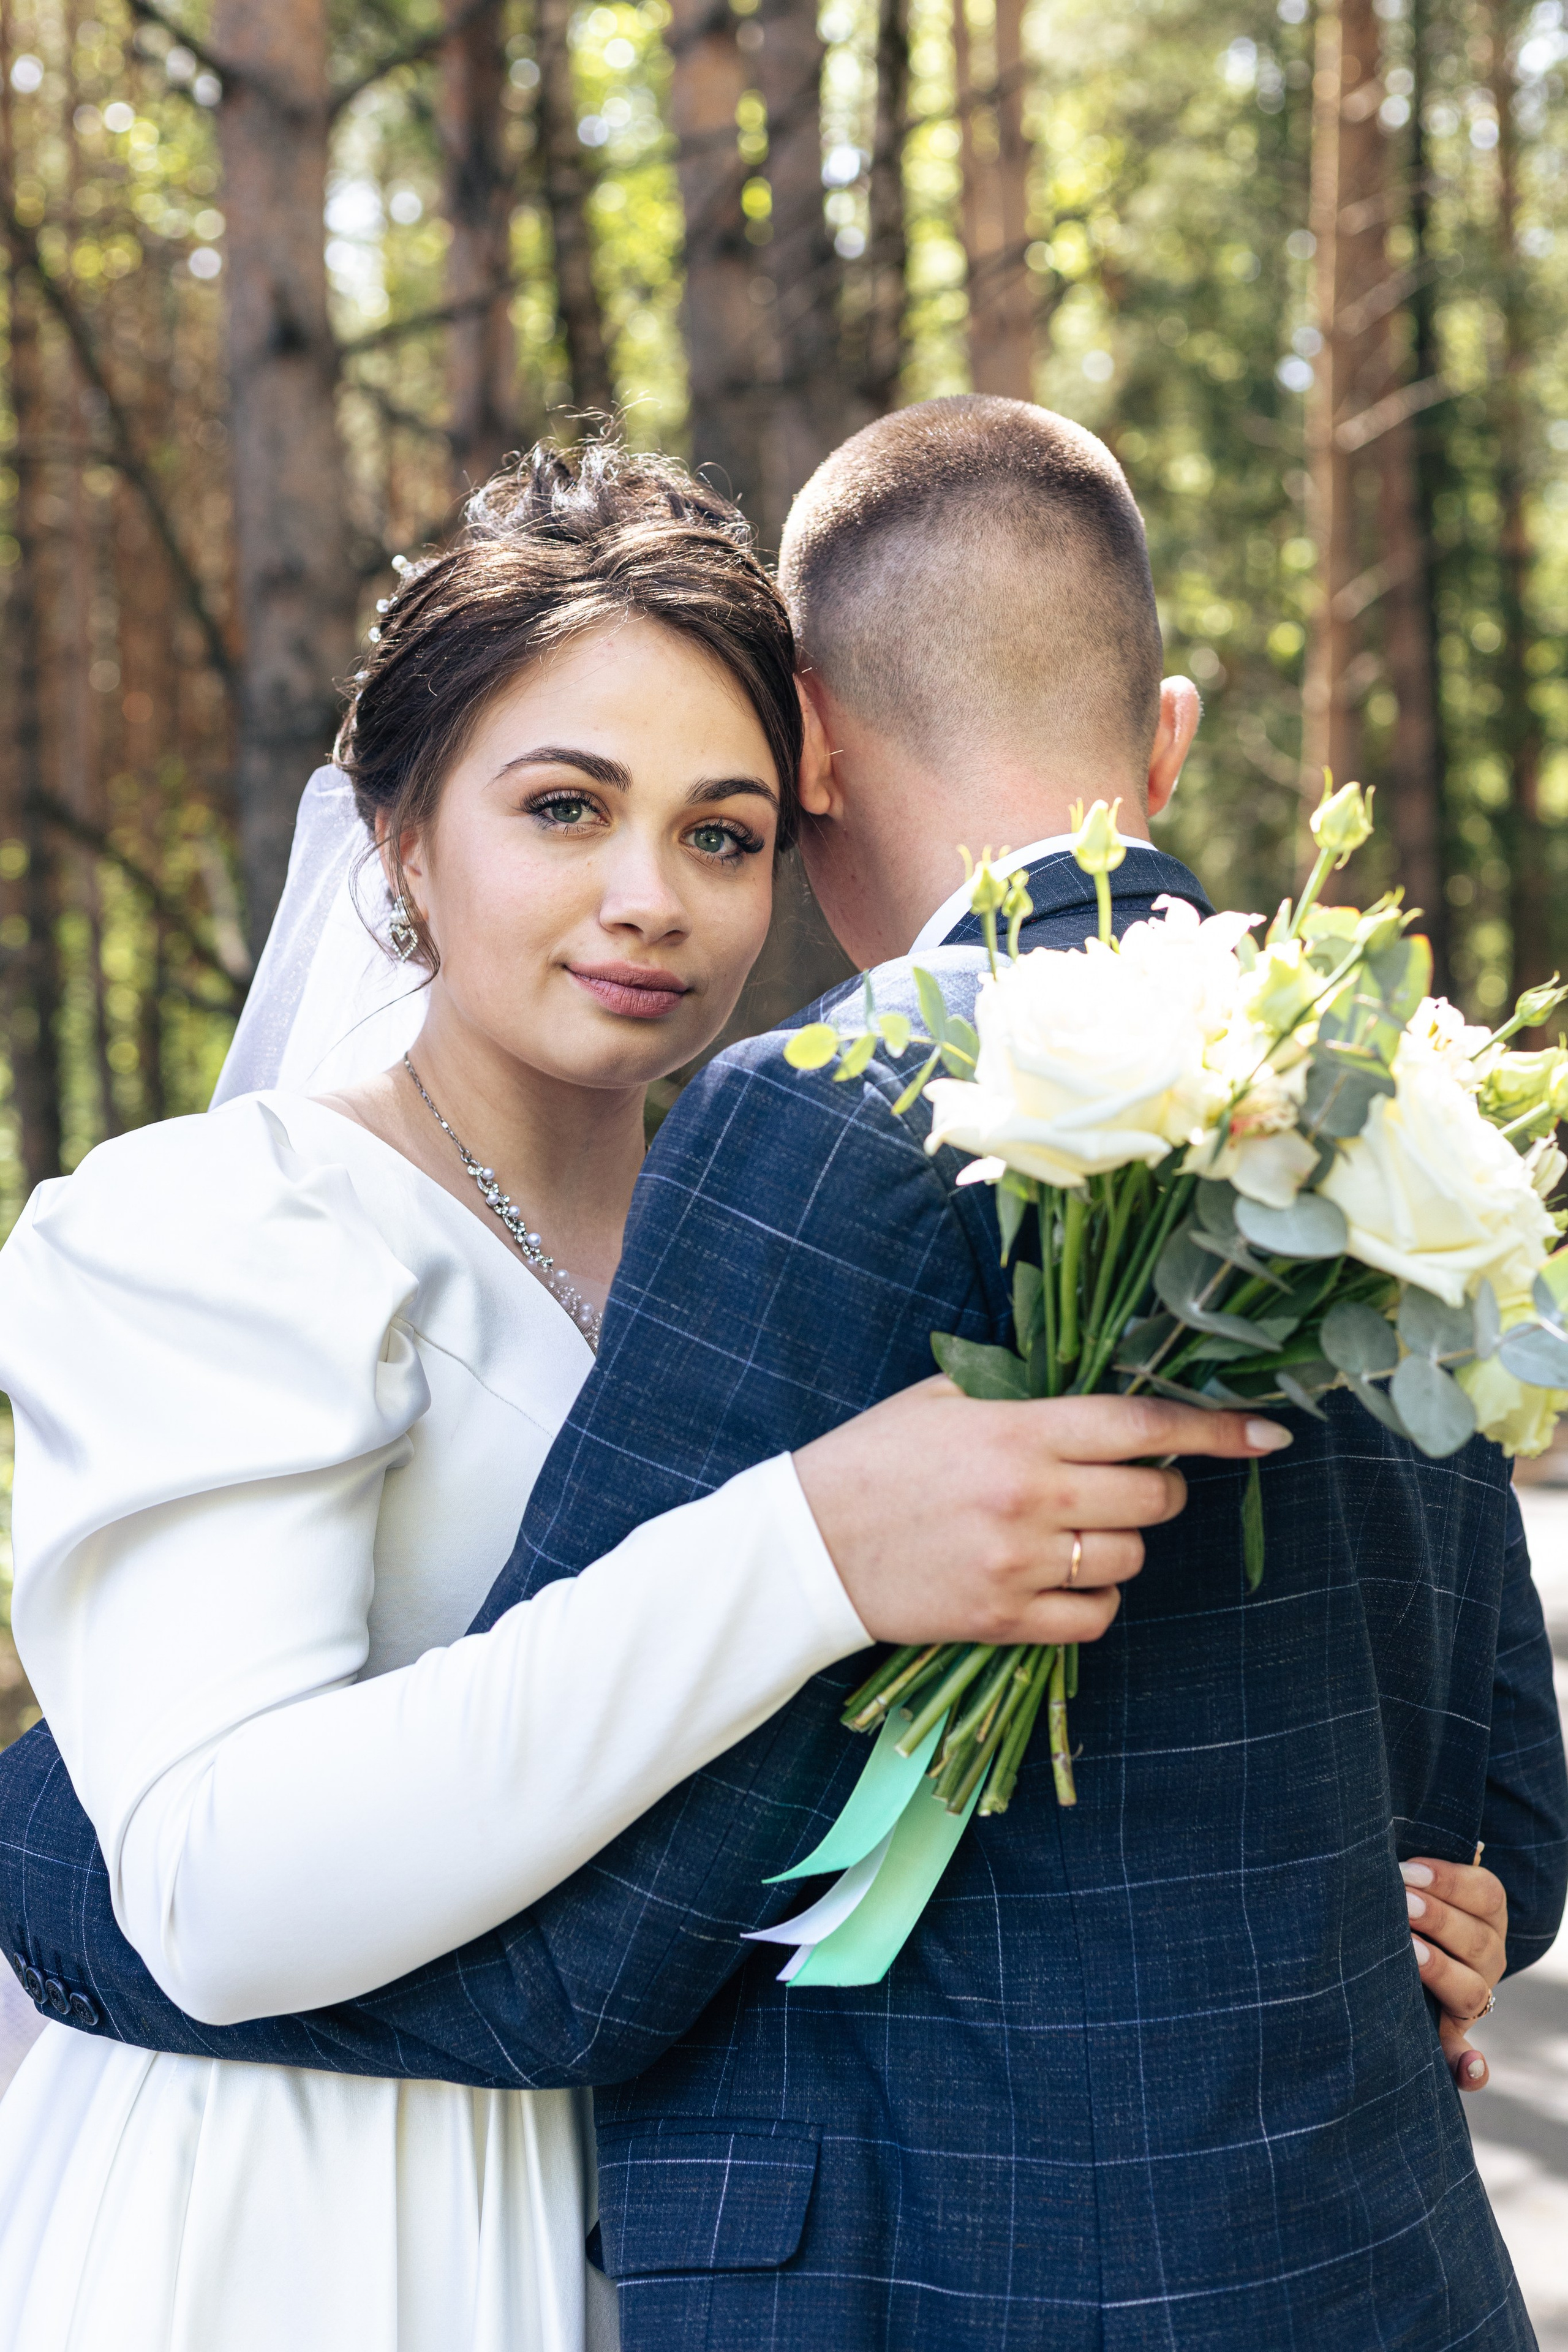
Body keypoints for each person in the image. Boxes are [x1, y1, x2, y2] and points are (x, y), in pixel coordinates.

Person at [1, 401, 1561, 2350]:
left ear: (811, 789)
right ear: (396, 832)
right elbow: (229, 1882)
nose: (649, 894)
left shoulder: (796, 1186)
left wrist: (1382, 1901)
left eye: (720, 832)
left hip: (645, 2209)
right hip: (318, 2223)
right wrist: (814, 1540)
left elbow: (1438, 1799)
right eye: (563, 808)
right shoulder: (214, 1225)